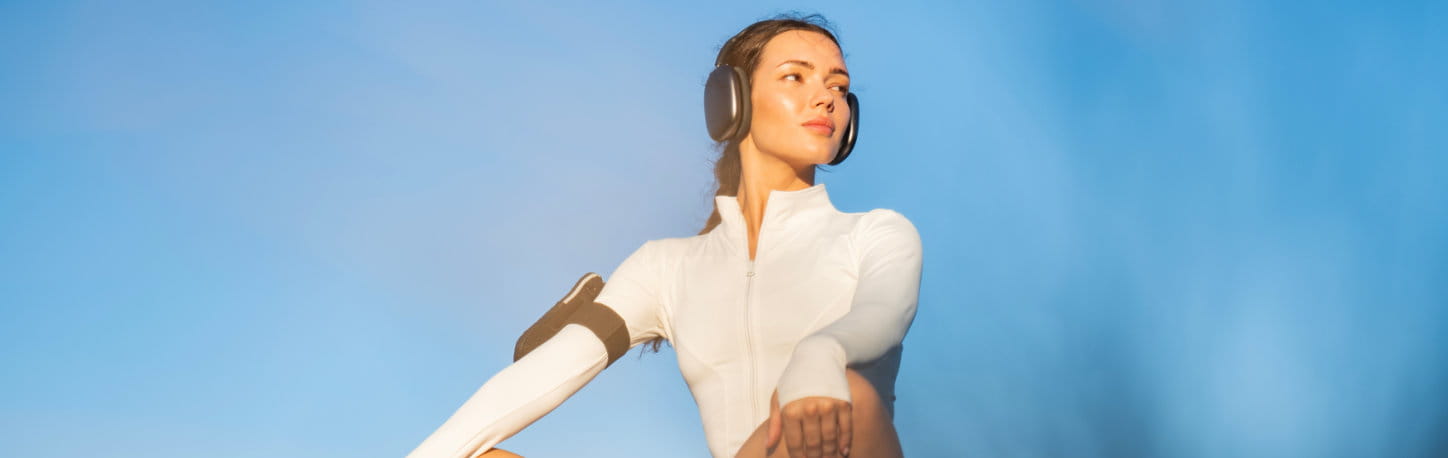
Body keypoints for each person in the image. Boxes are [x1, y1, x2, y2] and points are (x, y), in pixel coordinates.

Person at [407, 13, 921, 458]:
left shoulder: (878, 235)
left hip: (843, 439)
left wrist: (820, 356)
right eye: (795, 77)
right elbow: (533, 380)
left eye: (837, 86)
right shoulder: (665, 268)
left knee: (851, 396)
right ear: (732, 100)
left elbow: (879, 317)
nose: (826, 99)